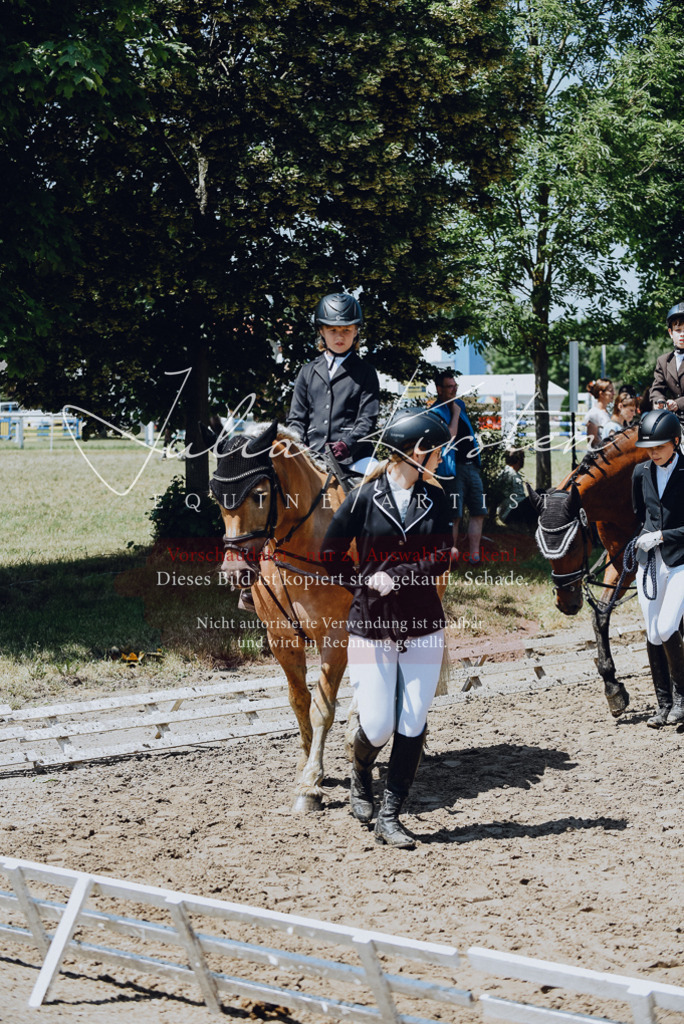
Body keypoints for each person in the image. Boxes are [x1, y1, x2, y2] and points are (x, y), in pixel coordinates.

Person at [321, 408, 452, 849]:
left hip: (423, 623)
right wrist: (362, 584)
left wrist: (398, 576)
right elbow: (329, 555)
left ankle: (391, 815)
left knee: (412, 722)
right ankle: (360, 774)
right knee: (377, 726)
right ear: (417, 451)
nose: (441, 459)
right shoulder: (363, 498)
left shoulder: (437, 499)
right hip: (372, 624)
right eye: (436, 452)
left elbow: (442, 555)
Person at [287, 292, 379, 479]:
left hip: (354, 457)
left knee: (381, 483)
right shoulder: (307, 371)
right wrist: (299, 444)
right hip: (312, 455)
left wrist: (347, 445)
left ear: (356, 331)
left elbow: (367, 420)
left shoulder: (366, 372)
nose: (339, 336)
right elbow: (296, 419)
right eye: (332, 330)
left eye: (346, 330)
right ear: (321, 331)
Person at [632, 409, 684, 728]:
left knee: (666, 627)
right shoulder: (640, 473)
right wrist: (645, 537)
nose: (653, 452)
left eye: (660, 447)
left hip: (681, 561)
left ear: (676, 442)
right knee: (653, 633)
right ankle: (664, 705)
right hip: (650, 561)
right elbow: (641, 514)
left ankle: (682, 699)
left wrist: (663, 535)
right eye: (649, 447)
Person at [431, 369, 487, 563]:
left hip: (472, 466)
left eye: (455, 386)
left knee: (479, 511)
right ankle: (451, 558)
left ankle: (474, 556)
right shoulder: (436, 411)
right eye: (449, 387)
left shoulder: (459, 404)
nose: (454, 390)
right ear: (439, 389)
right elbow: (449, 436)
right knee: (454, 515)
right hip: (452, 469)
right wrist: (455, 413)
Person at [650, 302, 684, 420]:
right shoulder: (663, 361)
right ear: (670, 333)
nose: (682, 334)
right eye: (678, 330)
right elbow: (657, 389)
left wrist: (678, 403)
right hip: (674, 419)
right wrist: (659, 401)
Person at [495, 449, 537, 529]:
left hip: (513, 510)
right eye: (522, 458)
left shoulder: (512, 472)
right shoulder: (508, 473)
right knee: (540, 493)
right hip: (510, 512)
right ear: (518, 460)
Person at [584, 379, 614, 447]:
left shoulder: (609, 413)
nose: (614, 393)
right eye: (611, 391)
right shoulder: (593, 414)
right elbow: (593, 442)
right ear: (601, 394)